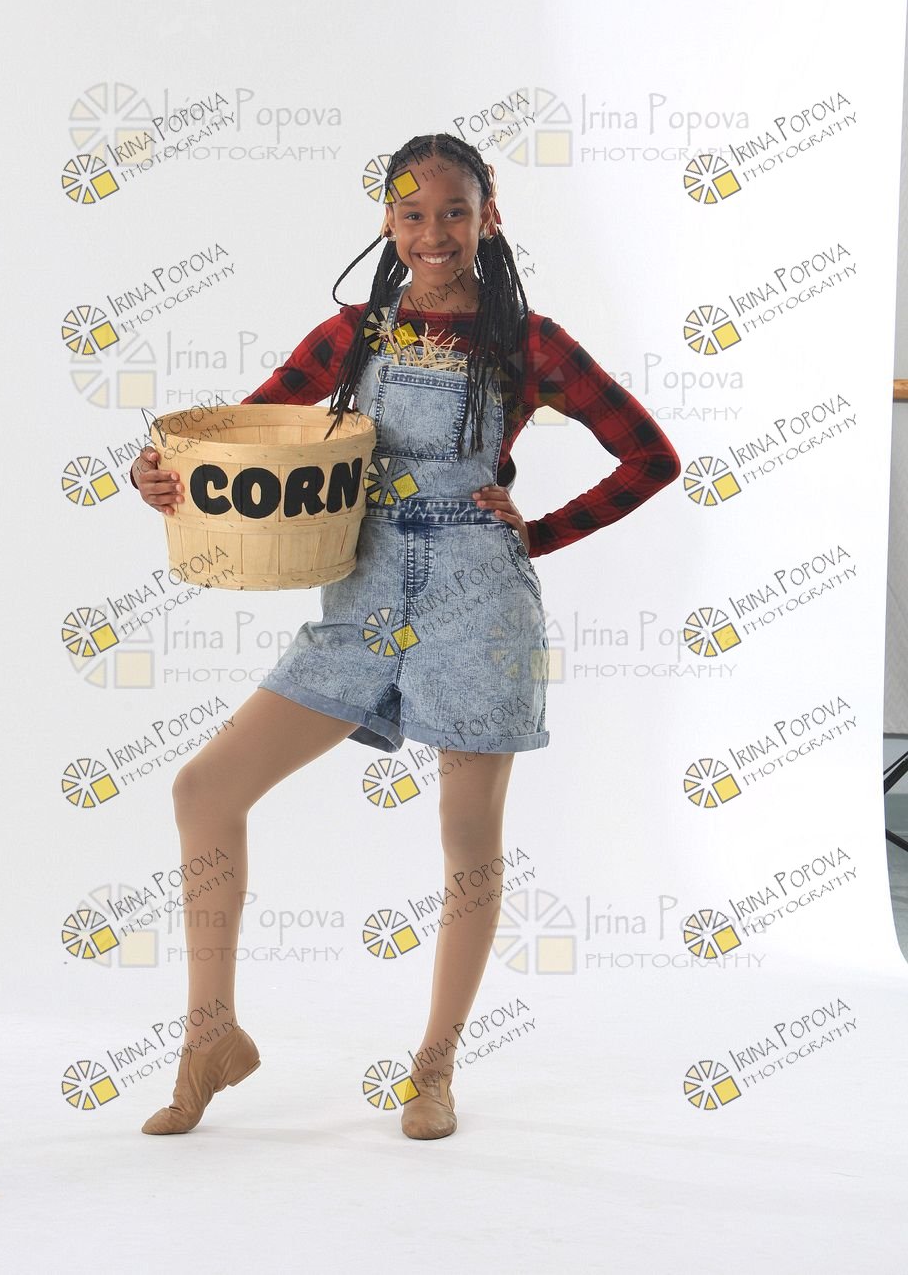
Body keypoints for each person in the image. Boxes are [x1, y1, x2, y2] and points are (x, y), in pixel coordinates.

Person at [128, 131, 681, 1141]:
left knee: (467, 839)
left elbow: (650, 457)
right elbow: (236, 436)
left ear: (489, 217)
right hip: (361, 598)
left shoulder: (531, 344)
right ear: (387, 219)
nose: (434, 233)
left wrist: (537, 534)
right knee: (205, 790)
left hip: (479, 603)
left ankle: (434, 1068)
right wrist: (161, 473)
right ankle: (210, 1036)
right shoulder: (351, 336)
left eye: (454, 212)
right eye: (413, 213)